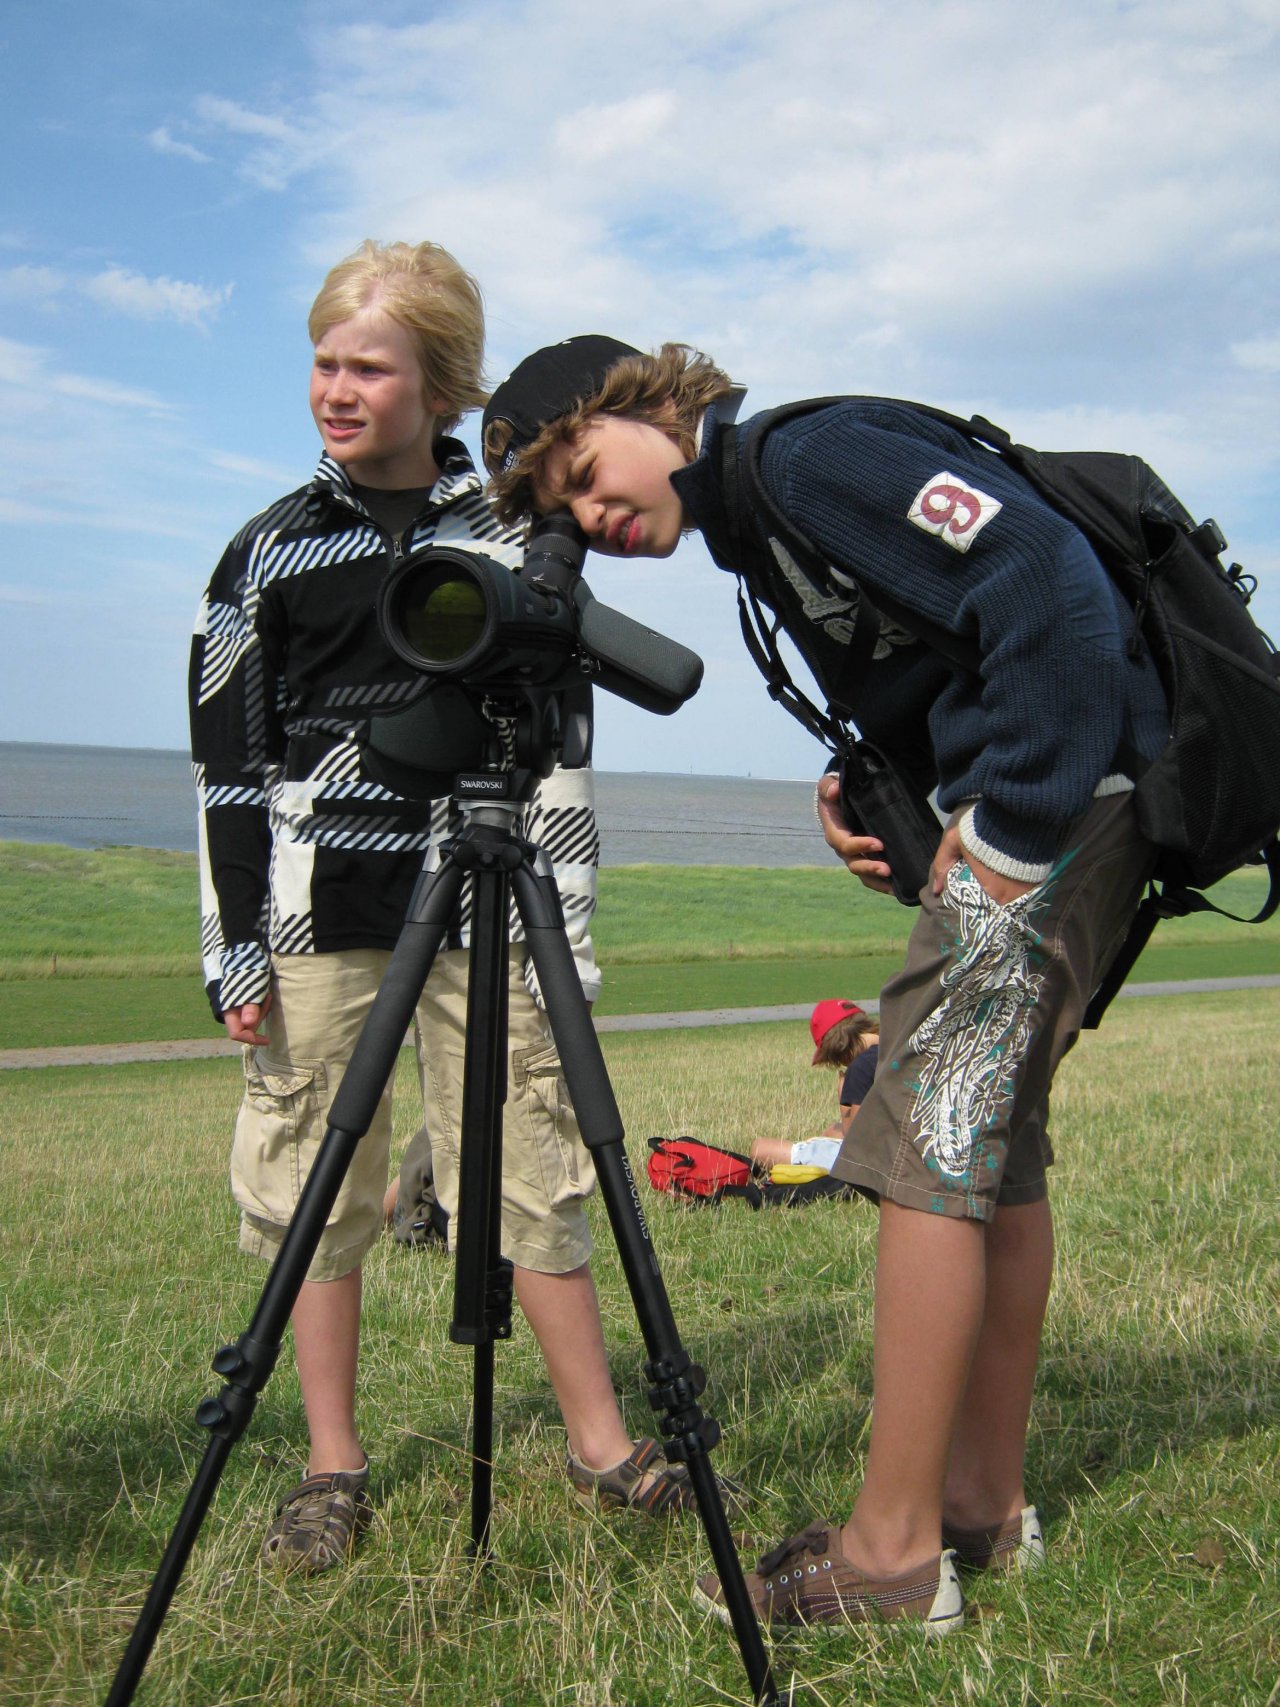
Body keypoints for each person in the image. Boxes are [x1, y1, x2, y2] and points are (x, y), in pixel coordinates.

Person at [477, 335, 1169, 1633]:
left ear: (640, 399)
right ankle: (980, 1502)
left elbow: (1042, 577)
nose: (592, 513)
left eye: (581, 468)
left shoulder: (805, 457)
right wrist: (865, 779)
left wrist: (1010, 824)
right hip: (1084, 809)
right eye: (562, 512)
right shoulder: (758, 528)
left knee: (918, 1144)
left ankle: (894, 1553)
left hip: (1059, 819)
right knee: (992, 1151)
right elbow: (942, 646)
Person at [189, 260, 739, 1576]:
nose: (336, 388)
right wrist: (232, 944)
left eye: (366, 367)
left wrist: (574, 938)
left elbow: (559, 758)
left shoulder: (507, 536)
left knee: (535, 1168)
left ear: (441, 386)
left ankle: (600, 1440)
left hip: (494, 907)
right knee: (315, 1191)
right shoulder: (262, 550)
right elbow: (224, 761)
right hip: (323, 912)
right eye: (324, 361)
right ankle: (333, 1462)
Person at [748, 999, 879, 1177]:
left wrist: (844, 1101)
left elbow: (856, 1143)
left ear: (837, 1049)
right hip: (911, 1147)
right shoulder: (897, 1045)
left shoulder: (861, 1068)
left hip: (878, 1163)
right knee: (831, 1131)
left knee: (760, 1149)